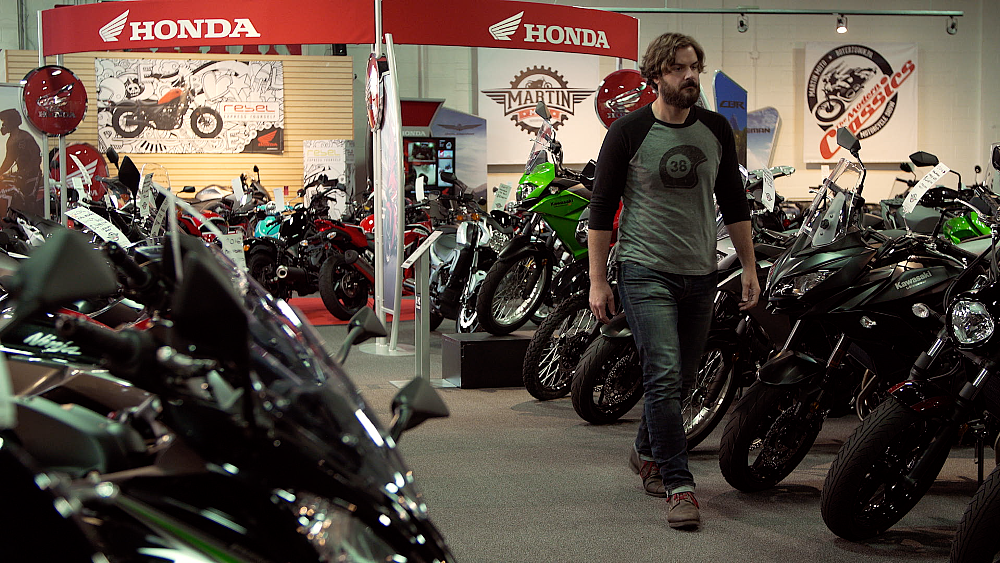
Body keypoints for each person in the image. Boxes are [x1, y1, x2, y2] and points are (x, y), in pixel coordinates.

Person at [587, 32, 759, 530]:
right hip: (644, 270)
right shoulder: (628, 132)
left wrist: (748, 267)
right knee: (663, 375)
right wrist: (599, 281)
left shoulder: (716, 128)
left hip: (700, 273)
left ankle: (646, 448)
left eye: (695, 68)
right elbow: (601, 212)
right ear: (656, 75)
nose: (690, 77)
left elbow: (733, 202)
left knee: (683, 380)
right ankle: (678, 484)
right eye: (679, 69)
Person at [0, 109, 42, 216]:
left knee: (29, 201)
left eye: (5, 122)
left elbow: (36, 157)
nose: (3, 125)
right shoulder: (10, 141)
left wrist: (26, 172)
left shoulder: (25, 137)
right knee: (19, 201)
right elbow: (9, 160)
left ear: (12, 122)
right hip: (21, 175)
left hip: (33, 175)